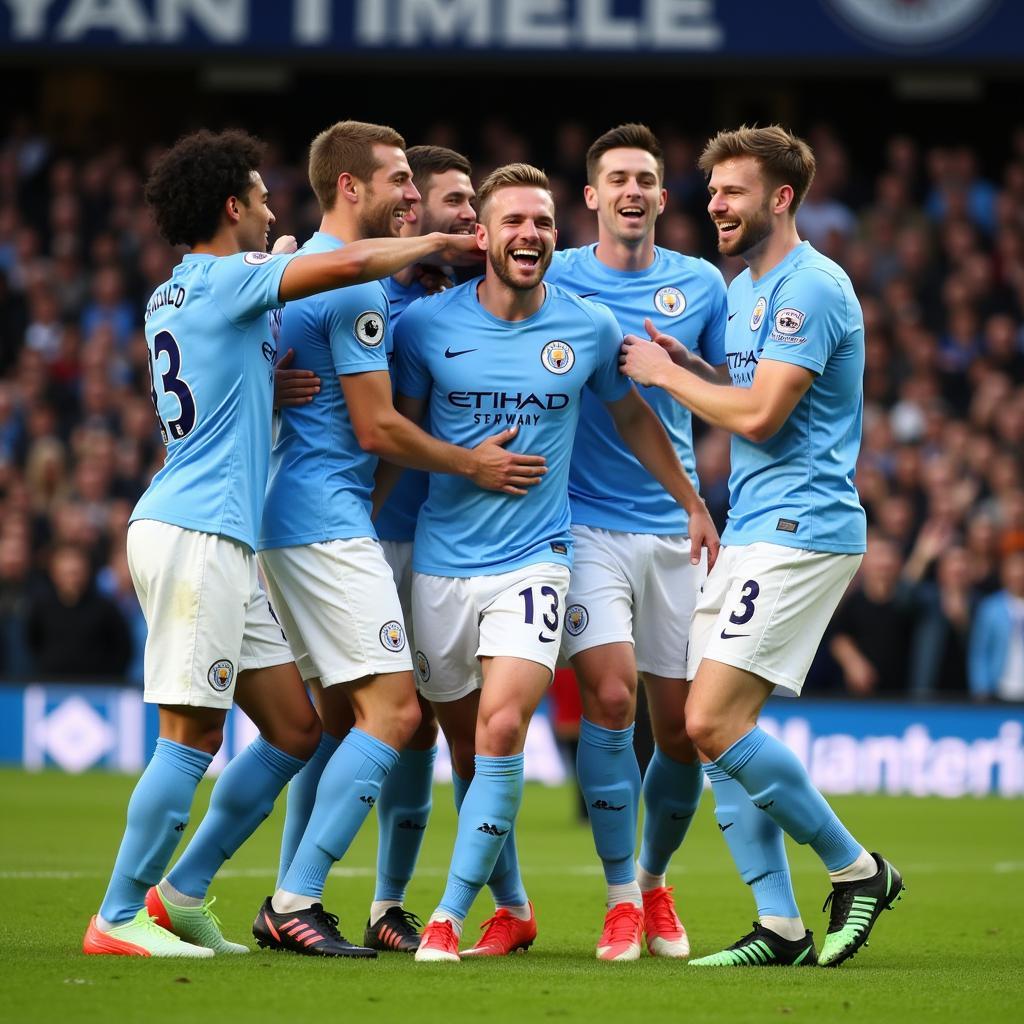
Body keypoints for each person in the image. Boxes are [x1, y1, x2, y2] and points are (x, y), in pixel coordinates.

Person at [82, 128, 479, 959]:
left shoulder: (177, 293)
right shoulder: (233, 280)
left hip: (226, 528)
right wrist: (430, 242)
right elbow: (331, 266)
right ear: (232, 207)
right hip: (199, 530)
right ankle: (119, 913)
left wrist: (269, 378)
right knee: (190, 733)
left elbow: (242, 342)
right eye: (261, 199)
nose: (272, 212)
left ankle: (183, 894)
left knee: (298, 728)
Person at [397, 163, 717, 963]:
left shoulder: (588, 327)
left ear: (555, 230)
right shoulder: (425, 328)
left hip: (542, 556)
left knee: (528, 722)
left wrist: (692, 497)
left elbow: (637, 418)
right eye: (512, 222)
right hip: (441, 561)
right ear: (484, 235)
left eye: (540, 223)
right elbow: (389, 436)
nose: (528, 234)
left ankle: (460, 912)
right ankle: (513, 907)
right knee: (469, 749)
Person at [253, 123, 545, 959]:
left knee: (428, 730)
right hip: (364, 534)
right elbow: (368, 407)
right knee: (364, 720)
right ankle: (288, 891)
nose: (458, 222)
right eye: (447, 205)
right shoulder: (389, 302)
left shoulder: (460, 304)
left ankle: (391, 901)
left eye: (460, 205)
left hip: (441, 545)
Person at [621, 124, 904, 968]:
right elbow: (743, 394)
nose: (714, 205)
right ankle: (778, 923)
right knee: (712, 737)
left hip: (802, 531)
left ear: (781, 198)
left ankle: (859, 870)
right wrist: (692, 364)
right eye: (710, 192)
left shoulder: (810, 288)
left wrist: (667, 377)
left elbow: (762, 416)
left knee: (709, 719)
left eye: (731, 192)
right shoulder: (746, 288)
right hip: (751, 529)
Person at [544, 123, 725, 961]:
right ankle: (620, 897)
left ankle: (655, 882)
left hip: (673, 525)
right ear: (590, 196)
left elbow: (737, 389)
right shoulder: (555, 273)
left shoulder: (701, 284)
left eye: (646, 179)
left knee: (684, 728)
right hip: (582, 522)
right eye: (617, 177)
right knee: (610, 704)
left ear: (661, 194)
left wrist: (698, 495)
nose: (632, 191)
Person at [969, 550, 1024, 701]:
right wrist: (982, 688)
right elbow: (980, 651)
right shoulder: (991, 608)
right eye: (1014, 572)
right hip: (1000, 688)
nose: (1018, 578)